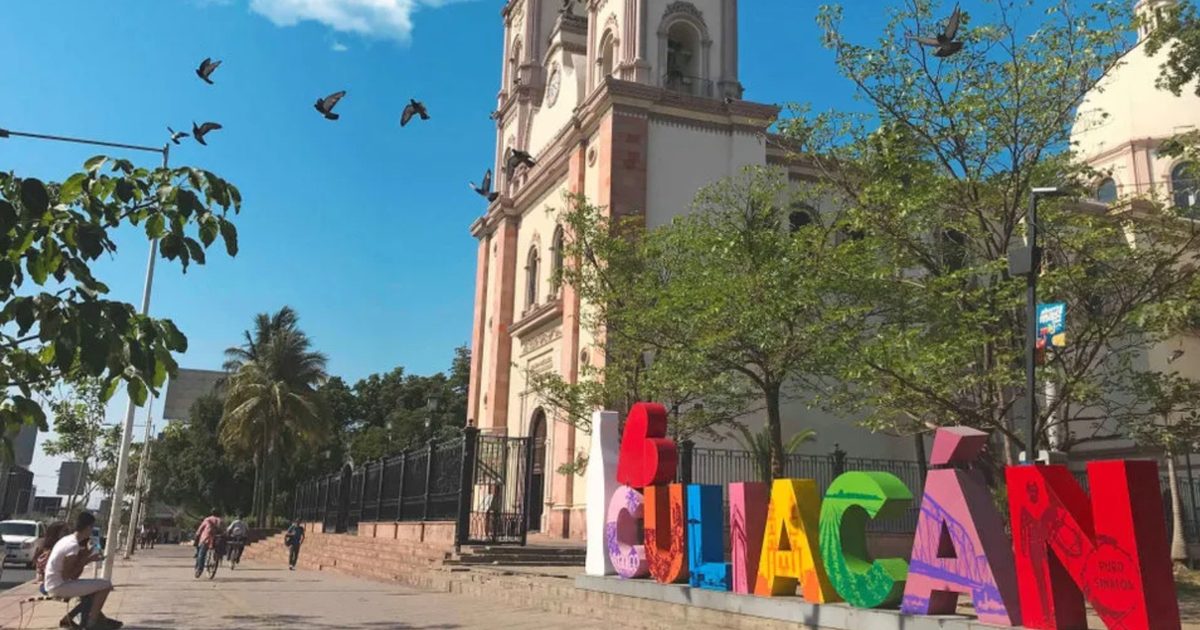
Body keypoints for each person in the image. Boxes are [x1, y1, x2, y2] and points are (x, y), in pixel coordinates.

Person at [44, 512, 122, 630]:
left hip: (54, 583)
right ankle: (92, 623)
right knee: (106, 585)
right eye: (91, 527)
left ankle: (71, 618)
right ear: (88, 528)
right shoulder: (72, 546)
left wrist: (87, 557)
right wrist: (87, 559)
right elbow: (70, 575)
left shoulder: (67, 539)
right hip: (58, 586)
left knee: (93, 591)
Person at [194, 509, 223, 577]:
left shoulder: (207, 519)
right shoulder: (220, 520)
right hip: (217, 540)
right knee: (216, 551)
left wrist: (197, 535)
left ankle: (199, 569)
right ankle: (216, 559)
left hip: (206, 539)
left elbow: (200, 529)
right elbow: (224, 530)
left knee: (201, 554)